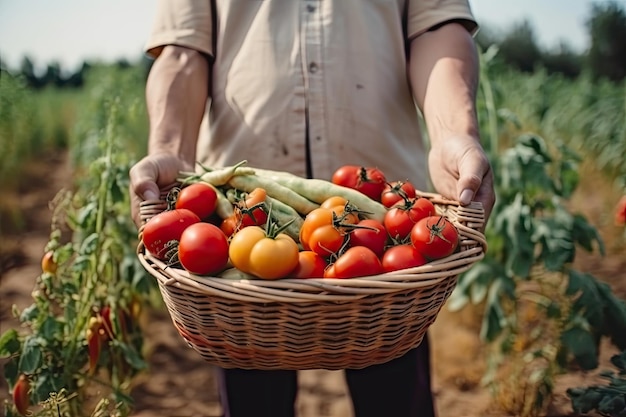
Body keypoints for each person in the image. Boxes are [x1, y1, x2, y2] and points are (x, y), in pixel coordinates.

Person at [129, 1, 495, 416]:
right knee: (255, 402)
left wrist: (453, 135)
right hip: (237, 218)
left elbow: (436, 28)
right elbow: (183, 47)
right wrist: (170, 153)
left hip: (384, 228)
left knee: (395, 392)